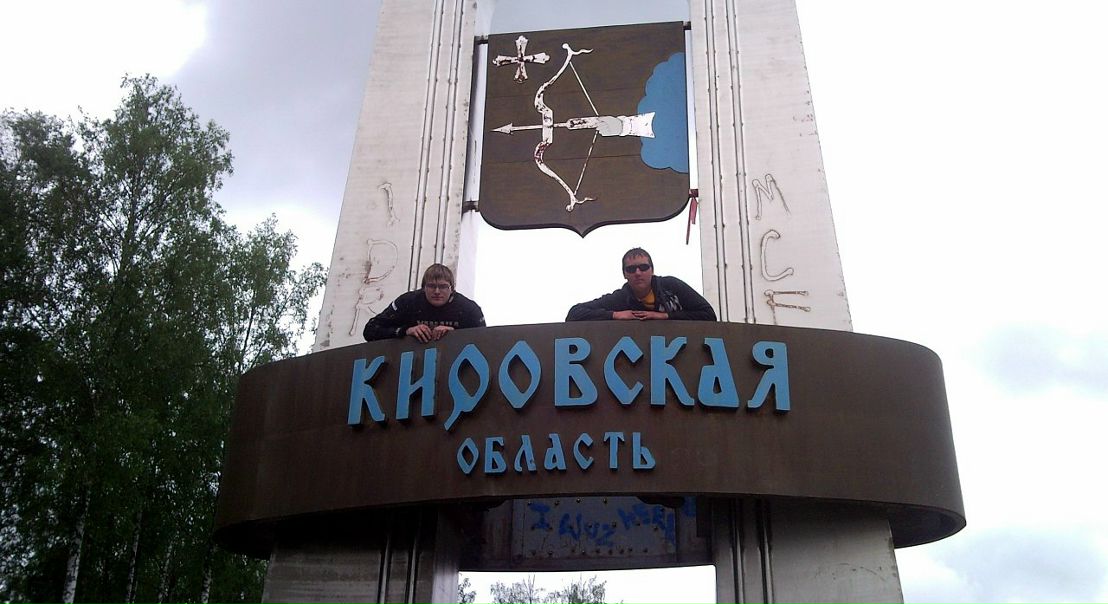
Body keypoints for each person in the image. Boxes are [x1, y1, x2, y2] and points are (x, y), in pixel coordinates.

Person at [566, 247, 717, 321]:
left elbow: (708, 314)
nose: (638, 273)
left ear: (652, 270)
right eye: (631, 269)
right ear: (624, 274)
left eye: (643, 267)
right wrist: (615, 315)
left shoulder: (672, 286)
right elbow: (574, 313)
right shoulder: (620, 298)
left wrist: (664, 316)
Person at [363, 263, 486, 342]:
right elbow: (370, 330)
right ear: (423, 288)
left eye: (443, 287)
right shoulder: (407, 302)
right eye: (431, 286)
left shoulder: (468, 309)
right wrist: (405, 331)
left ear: (452, 289)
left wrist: (455, 334)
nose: (437, 291)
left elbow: (484, 340)